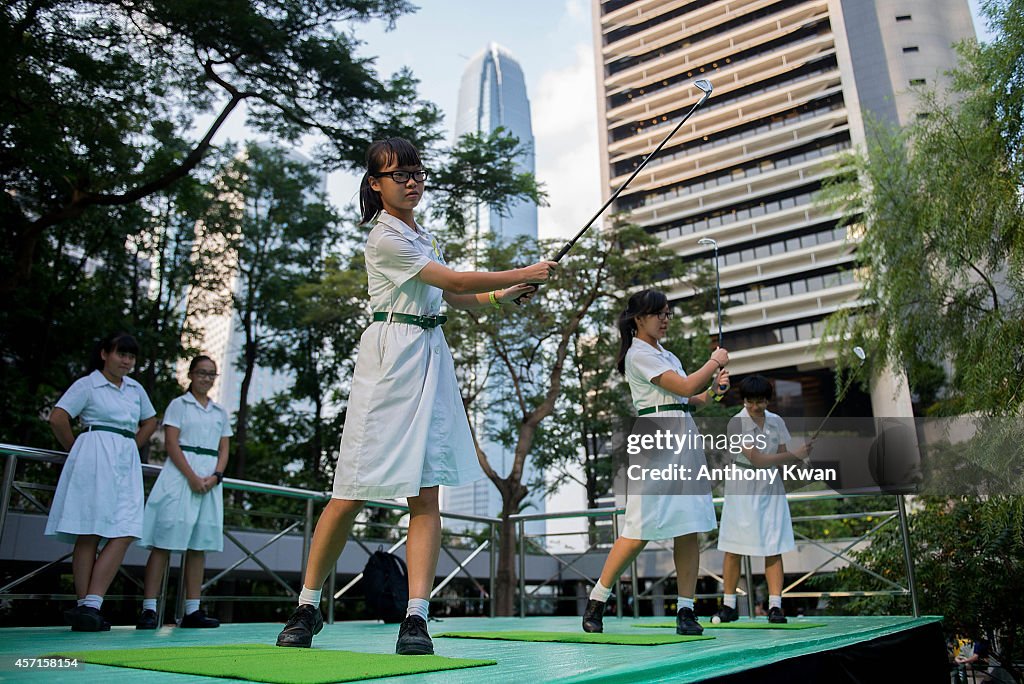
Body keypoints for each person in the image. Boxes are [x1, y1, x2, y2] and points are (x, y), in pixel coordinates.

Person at [275, 137, 555, 655]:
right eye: (398, 173)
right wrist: (523, 270)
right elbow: (451, 278)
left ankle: (416, 618)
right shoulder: (384, 238)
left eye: (416, 171)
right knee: (350, 491)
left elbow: (451, 294)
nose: (411, 180)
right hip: (388, 360)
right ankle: (308, 606)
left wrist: (504, 294)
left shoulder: (421, 236)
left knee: (426, 494)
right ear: (375, 185)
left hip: (430, 356)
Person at [581, 289, 729, 636]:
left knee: (688, 526)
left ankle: (686, 611)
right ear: (638, 319)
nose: (664, 319)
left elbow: (693, 397)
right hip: (656, 437)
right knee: (638, 530)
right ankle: (597, 599)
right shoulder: (639, 354)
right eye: (657, 313)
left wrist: (717, 390)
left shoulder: (668, 354)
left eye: (667, 313)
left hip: (683, 435)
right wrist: (714, 362)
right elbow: (689, 382)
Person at [46, 332, 158, 631]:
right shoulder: (88, 384)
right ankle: (87, 606)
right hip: (93, 455)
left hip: (125, 458)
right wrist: (77, 449)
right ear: (105, 353)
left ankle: (92, 603)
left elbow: (151, 421)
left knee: (125, 528)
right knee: (89, 529)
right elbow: (58, 417)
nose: (126, 360)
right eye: (121, 353)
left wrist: (133, 444)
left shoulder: (135, 389)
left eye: (131, 356)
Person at [137, 355, 230, 630]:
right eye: (201, 372)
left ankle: (193, 609)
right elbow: (172, 443)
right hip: (180, 477)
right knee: (164, 541)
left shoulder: (219, 412)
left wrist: (215, 476)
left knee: (198, 545)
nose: (206, 378)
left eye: (211, 374)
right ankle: (149, 608)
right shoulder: (179, 405)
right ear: (191, 374)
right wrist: (191, 477)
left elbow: (224, 447)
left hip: (209, 480)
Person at [713, 375, 811, 624]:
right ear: (744, 400)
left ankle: (775, 606)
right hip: (742, 487)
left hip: (771, 489)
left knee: (774, 545)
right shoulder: (737, 423)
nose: (755, 407)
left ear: (768, 400)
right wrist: (792, 455)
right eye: (750, 402)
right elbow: (756, 459)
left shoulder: (777, 422)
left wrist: (798, 457)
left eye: (760, 401)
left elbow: (780, 455)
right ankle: (728, 606)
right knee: (733, 547)